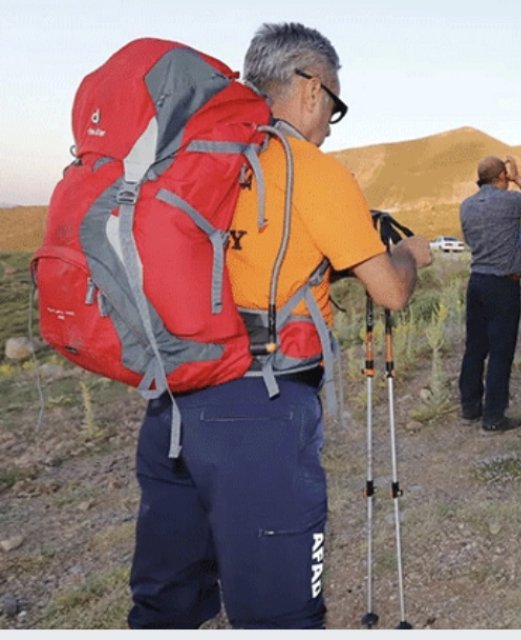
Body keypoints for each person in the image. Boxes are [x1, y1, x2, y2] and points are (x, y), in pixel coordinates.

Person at [128, 23, 434, 629]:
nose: (330, 125)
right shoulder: (311, 170)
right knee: (280, 613)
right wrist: (409, 254)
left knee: (165, 602)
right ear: (312, 88)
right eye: (334, 106)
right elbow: (391, 291)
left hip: (173, 398)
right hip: (260, 408)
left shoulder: (193, 160)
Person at [458, 155, 521, 432]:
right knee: (501, 350)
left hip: (477, 280)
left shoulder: (466, 206)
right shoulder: (509, 201)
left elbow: (469, 240)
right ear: (502, 176)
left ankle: (470, 406)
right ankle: (494, 416)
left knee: (475, 347)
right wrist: (519, 178)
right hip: (503, 284)